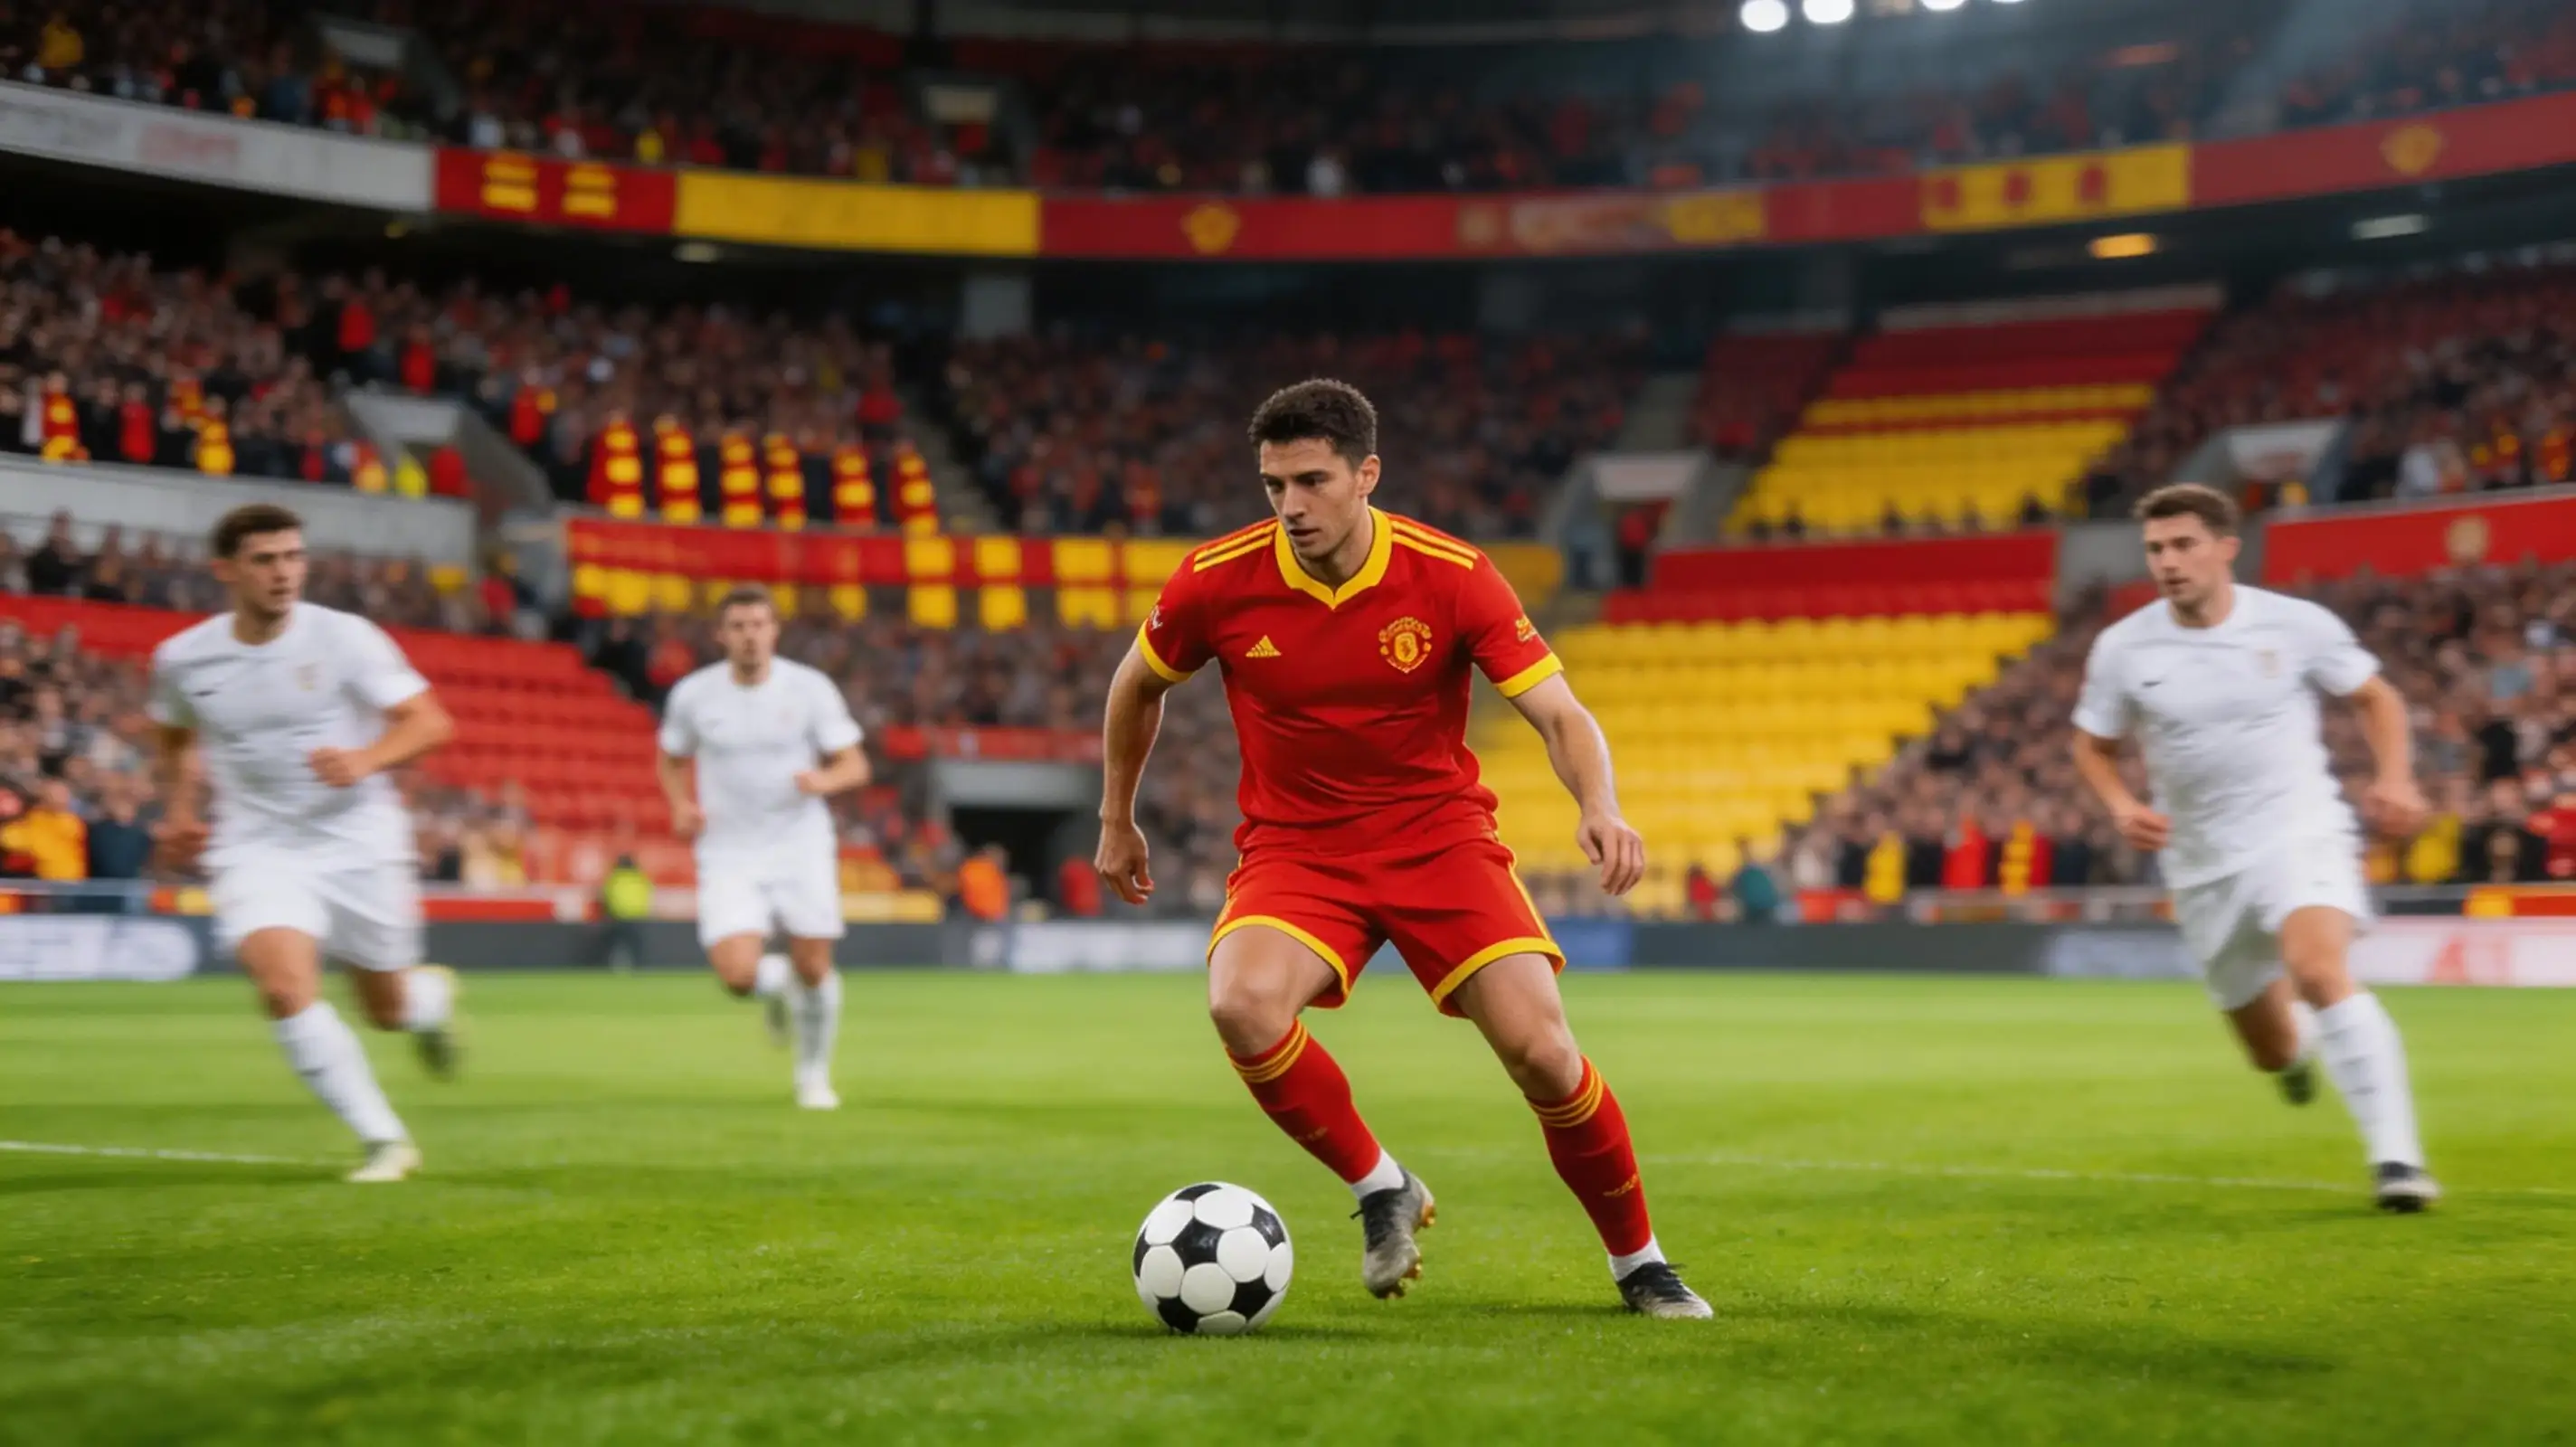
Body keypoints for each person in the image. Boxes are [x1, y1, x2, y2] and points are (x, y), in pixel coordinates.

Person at [1095, 379, 1709, 1319]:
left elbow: (1556, 710)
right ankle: (1381, 1184)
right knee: (1241, 1003)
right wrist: (1114, 817)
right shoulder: (1216, 578)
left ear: (1365, 474)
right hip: (1297, 848)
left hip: (1438, 840)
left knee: (1543, 1053)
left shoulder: (1452, 573)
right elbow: (1137, 684)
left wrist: (1601, 803)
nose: (1290, 506)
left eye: (1310, 480)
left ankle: (1642, 1264)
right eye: (1272, 485)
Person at [2071, 484, 2437, 1211]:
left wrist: (2396, 778)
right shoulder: (2123, 647)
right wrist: (2119, 805)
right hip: (2203, 864)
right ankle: (2296, 1052)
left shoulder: (2295, 624)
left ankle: (2398, 1161)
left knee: (2318, 969)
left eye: (2183, 545)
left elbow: (2377, 698)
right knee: (2270, 1050)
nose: (2168, 562)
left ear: (2225, 548)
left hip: (2298, 831)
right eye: (2156, 549)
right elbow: (2093, 744)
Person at [147, 504, 463, 1184]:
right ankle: (385, 1141)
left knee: (387, 1012)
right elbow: (172, 735)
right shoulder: (182, 658)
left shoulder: (346, 638)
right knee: (286, 988)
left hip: (357, 839)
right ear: (226, 570)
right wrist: (178, 808)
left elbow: (430, 723)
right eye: (265, 560)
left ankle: (425, 1003)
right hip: (256, 844)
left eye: (293, 557)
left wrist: (365, 759)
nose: (284, 572)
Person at [656, 586, 870, 1111]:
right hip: (728, 848)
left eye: (758, 624)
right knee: (736, 976)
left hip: (800, 842)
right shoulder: (693, 695)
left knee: (816, 967)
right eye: (738, 626)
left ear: (774, 630)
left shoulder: (809, 688)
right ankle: (775, 990)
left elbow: (855, 764)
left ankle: (813, 1076)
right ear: (721, 635)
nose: (749, 635)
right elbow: (669, 757)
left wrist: (824, 780)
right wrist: (681, 805)